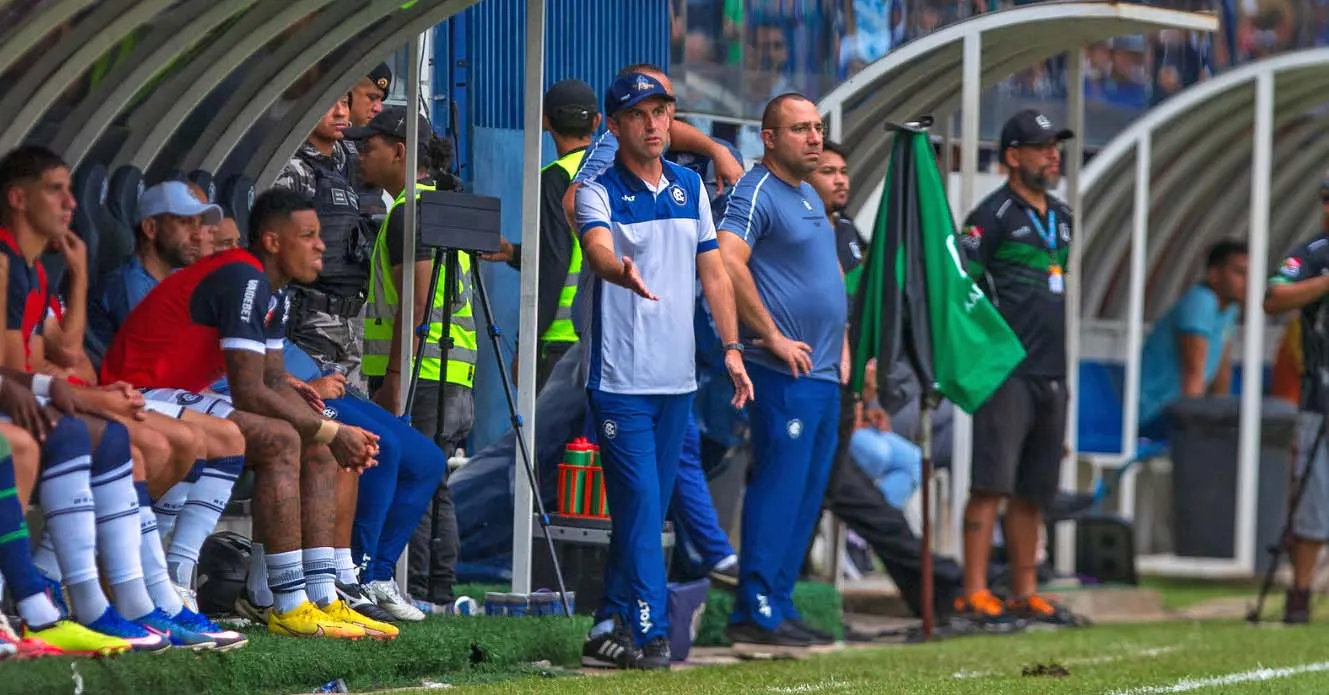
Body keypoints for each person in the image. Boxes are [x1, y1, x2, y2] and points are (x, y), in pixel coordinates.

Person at [101, 188, 396, 640]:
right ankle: (227, 589)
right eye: (308, 235)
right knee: (285, 438)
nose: (321, 245)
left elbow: (274, 379)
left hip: (178, 398)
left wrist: (327, 430)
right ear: (273, 241)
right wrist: (332, 430)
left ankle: (314, 596)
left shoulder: (272, 290)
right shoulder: (243, 276)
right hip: (140, 394)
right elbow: (250, 390)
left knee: (312, 441)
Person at [574, 71, 750, 670]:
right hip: (620, 383)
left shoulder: (688, 186)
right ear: (615, 125)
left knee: (647, 508)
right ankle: (650, 633)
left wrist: (731, 348)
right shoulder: (598, 188)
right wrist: (616, 269)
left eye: (662, 113)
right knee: (645, 506)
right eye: (640, 115)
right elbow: (597, 247)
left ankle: (605, 624)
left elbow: (715, 273)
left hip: (678, 381)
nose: (654, 125)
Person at [716, 93, 846, 650]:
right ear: (769, 138)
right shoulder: (757, 190)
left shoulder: (808, 195)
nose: (814, 138)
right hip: (782, 371)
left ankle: (780, 602)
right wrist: (768, 335)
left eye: (817, 128)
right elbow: (725, 260)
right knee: (778, 487)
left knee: (807, 493)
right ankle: (755, 609)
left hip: (821, 375)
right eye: (801, 129)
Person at [955, 109, 1082, 628]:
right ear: (1012, 156)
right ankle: (975, 591)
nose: (1054, 154)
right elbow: (963, 288)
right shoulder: (992, 216)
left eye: (1056, 145)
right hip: (1007, 373)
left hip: (1053, 371)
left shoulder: (1064, 217)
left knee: (1035, 491)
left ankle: (1025, 591)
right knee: (991, 485)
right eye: (1042, 146)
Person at [349, 107, 469, 610]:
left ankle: (412, 589)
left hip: (421, 373)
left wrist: (396, 377)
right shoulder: (437, 203)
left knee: (411, 479)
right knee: (434, 484)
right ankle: (436, 591)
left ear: (400, 151)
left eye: (369, 146)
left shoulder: (408, 211)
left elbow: (413, 306)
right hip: (452, 370)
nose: (360, 154)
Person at [480, 79, 599, 391]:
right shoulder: (613, 173)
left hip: (560, 338)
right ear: (597, 121)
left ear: (546, 121)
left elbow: (556, 262)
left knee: (552, 439)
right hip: (604, 334)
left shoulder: (555, 178)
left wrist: (526, 343)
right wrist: (515, 253)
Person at [561, 64, 745, 228]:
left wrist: (717, 150)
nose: (652, 123)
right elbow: (573, 203)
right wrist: (608, 252)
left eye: (663, 106)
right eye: (638, 111)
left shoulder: (687, 164)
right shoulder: (616, 141)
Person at [1262, 178, 1329, 623]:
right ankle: (1300, 593)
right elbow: (1274, 297)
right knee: (1314, 498)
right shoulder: (1313, 253)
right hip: (1319, 396)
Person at [273, 94, 371, 377]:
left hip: (350, 321)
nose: (341, 112)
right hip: (308, 320)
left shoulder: (350, 162)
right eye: (329, 102)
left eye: (345, 102)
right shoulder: (293, 169)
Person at [1138, 240, 1247, 436]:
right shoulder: (1201, 301)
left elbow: (1222, 372)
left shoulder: (1229, 308)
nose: (1248, 281)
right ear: (1214, 275)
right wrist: (1192, 430)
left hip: (1180, 408)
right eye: (1240, 273)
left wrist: (1223, 416)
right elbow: (1193, 372)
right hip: (1158, 412)